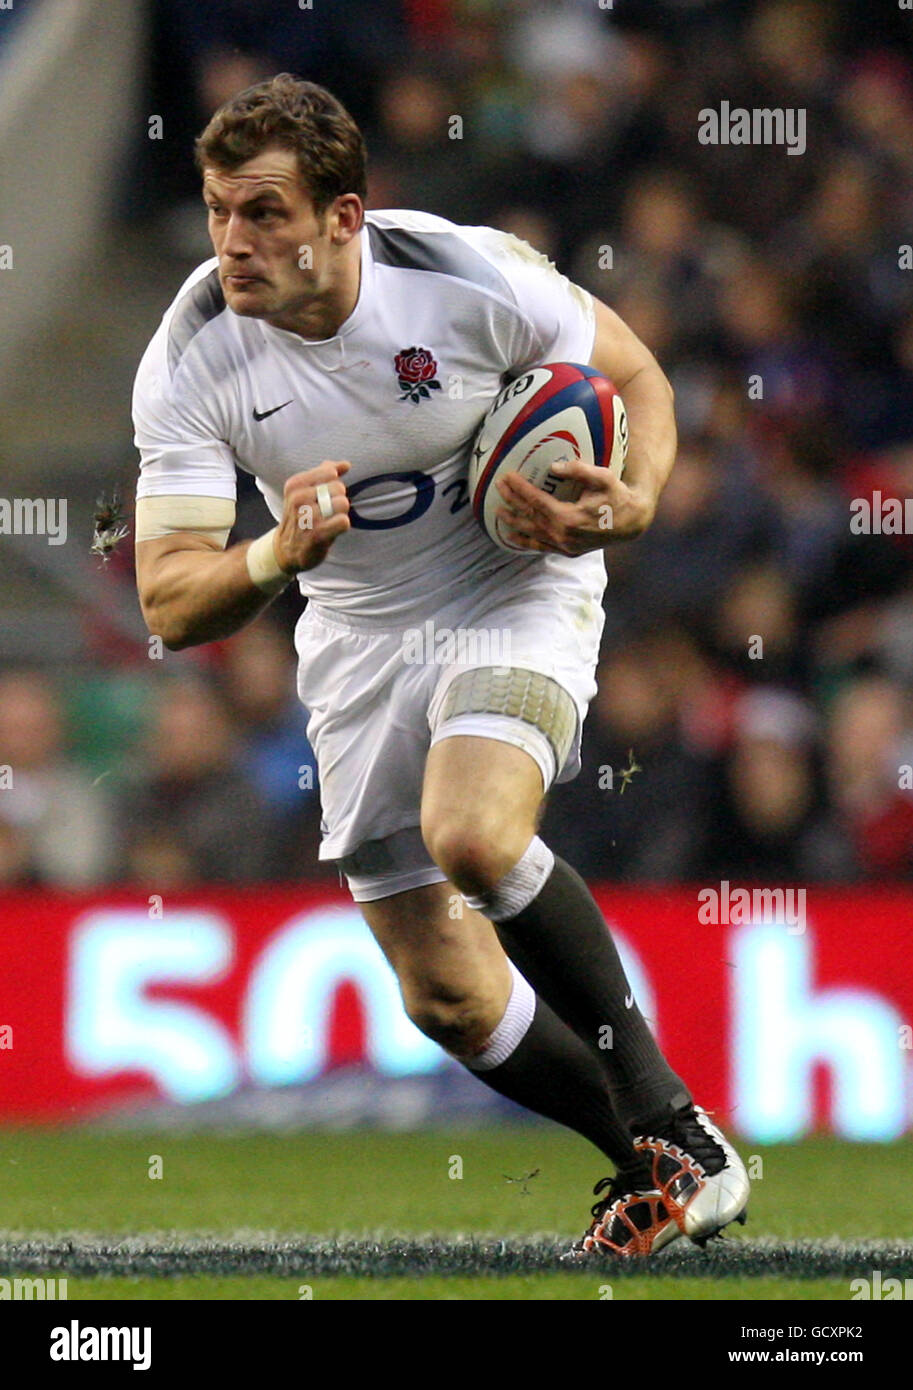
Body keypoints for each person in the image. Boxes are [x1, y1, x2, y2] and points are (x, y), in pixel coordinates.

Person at [131, 74, 749, 1257]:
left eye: (264, 213)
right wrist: (272, 552)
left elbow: (639, 378)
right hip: (356, 630)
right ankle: (646, 1162)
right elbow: (168, 593)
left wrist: (637, 501)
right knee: (447, 997)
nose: (234, 242)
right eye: (218, 210)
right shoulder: (196, 350)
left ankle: (676, 1122)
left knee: (473, 830)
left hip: (512, 585)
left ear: (343, 217)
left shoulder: (469, 276)